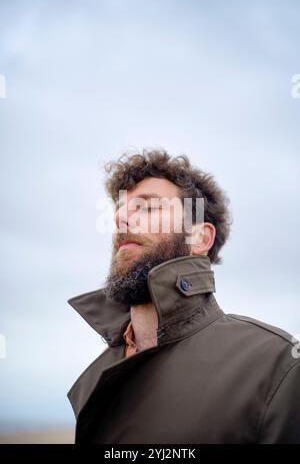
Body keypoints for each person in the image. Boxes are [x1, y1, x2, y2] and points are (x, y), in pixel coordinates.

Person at [67, 149, 300, 444]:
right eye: (121, 209)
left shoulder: (278, 366)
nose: (121, 219)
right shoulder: (96, 378)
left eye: (147, 207)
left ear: (200, 238)